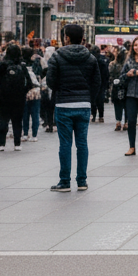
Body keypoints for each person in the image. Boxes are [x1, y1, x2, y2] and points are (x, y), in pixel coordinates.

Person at [46, 24, 102, 190]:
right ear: (82, 38)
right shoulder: (91, 58)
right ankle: (82, 180)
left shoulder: (57, 56)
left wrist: (61, 90)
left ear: (67, 38)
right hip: (83, 104)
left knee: (65, 144)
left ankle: (64, 181)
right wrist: (88, 98)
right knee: (82, 143)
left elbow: (50, 81)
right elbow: (97, 82)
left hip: (64, 104)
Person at [0, 44, 33, 151]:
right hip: (19, 98)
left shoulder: (3, 65)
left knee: (3, 119)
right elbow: (29, 83)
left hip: (4, 97)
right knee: (17, 120)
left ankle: (1, 144)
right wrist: (23, 92)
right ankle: (17, 144)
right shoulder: (22, 65)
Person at [21, 47, 43, 142]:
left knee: (25, 113)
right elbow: (43, 72)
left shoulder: (21, 64)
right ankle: (34, 135)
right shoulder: (36, 63)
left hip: (25, 90)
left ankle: (25, 133)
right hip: (36, 90)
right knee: (35, 113)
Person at [110, 46, 129, 130]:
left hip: (116, 87)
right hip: (126, 87)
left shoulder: (113, 64)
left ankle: (118, 122)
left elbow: (110, 75)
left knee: (117, 105)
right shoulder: (128, 66)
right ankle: (126, 123)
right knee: (127, 105)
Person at [90, 45, 110, 125]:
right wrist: (106, 83)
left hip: (92, 83)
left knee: (93, 100)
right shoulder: (102, 60)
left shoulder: (90, 60)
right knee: (100, 100)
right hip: (101, 83)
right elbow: (106, 73)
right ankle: (101, 116)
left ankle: (93, 115)